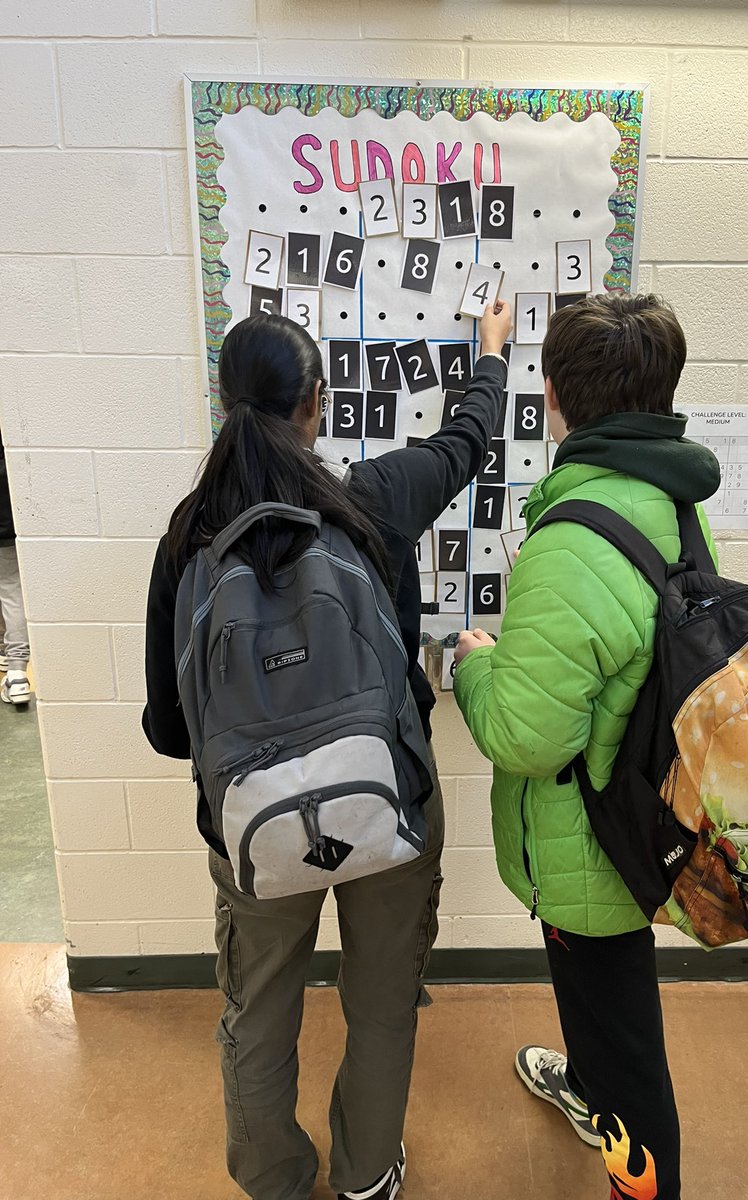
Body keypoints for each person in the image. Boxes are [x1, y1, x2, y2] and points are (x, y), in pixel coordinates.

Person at [142, 300, 512, 1200]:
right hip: (387, 802)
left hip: (253, 829)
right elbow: (467, 441)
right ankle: (365, 1176)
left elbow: (167, 729)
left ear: (225, 403)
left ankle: (275, 1180)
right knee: (381, 1008)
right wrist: (491, 354)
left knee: (258, 1014)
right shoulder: (373, 500)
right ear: (320, 400)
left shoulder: (186, 538)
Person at [452, 294, 721, 1200]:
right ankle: (591, 1092)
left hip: (590, 842)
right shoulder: (671, 503)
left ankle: (637, 1171)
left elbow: (527, 736)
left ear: (554, 394)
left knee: (623, 1034)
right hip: (646, 807)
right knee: (603, 1013)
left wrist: (472, 666)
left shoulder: (572, 541)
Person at [0, 433, 32, 707]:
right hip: (8, 517)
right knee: (10, 589)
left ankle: (16, 670)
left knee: (8, 587)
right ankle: (15, 667)